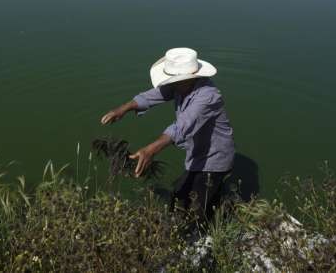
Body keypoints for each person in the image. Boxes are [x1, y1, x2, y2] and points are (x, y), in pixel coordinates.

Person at [100, 47, 235, 226]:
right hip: (196, 153)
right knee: (182, 195)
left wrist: (150, 150)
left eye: (175, 80)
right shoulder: (180, 87)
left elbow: (182, 126)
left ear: (190, 77)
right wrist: (125, 108)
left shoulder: (208, 96)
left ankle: (204, 239)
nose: (171, 84)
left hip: (215, 159)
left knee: (194, 208)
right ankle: (220, 204)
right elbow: (154, 95)